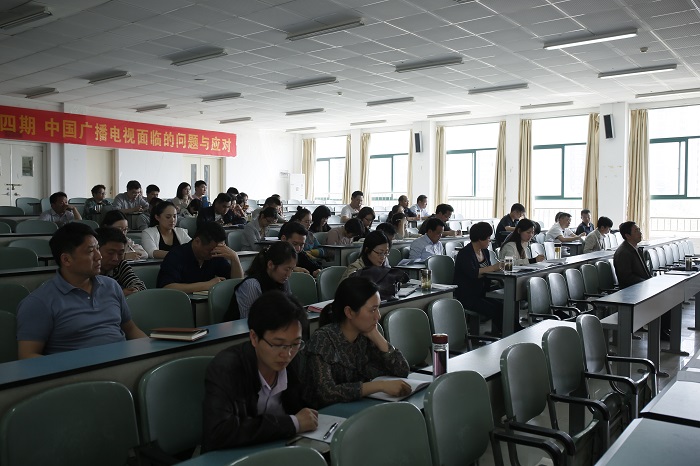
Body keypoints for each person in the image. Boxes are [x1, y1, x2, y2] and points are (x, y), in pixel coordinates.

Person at [202, 291, 317, 451]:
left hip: (281, 449)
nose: (287, 354)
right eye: (278, 344)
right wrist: (293, 423)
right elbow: (218, 432)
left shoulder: (294, 358)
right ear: (254, 337)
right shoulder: (226, 368)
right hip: (235, 456)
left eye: (295, 344)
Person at [16, 223, 146, 358]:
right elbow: (27, 355)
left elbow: (131, 329)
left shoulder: (111, 286)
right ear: (66, 259)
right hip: (78, 370)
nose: (99, 256)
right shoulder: (39, 302)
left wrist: (149, 352)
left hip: (124, 363)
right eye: (90, 251)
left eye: (98, 249)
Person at [303, 277, 411, 408]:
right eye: (372, 310)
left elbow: (402, 370)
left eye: (378, 308)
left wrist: (378, 337)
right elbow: (326, 393)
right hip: (324, 415)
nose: (378, 316)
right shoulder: (323, 339)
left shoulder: (365, 335)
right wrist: (379, 386)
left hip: (358, 407)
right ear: (349, 312)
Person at [454, 221, 510, 335]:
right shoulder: (465, 254)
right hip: (468, 295)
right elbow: (473, 273)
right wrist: (493, 268)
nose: (490, 241)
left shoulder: (485, 252)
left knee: (503, 305)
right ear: (480, 239)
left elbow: (487, 270)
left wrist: (498, 269)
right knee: (494, 309)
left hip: (482, 292)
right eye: (488, 238)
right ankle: (506, 333)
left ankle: (509, 331)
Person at [157, 222, 244, 292]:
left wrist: (235, 258)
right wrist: (206, 285)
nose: (213, 254)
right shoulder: (176, 255)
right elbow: (167, 288)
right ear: (197, 241)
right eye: (210, 250)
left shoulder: (216, 254)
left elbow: (237, 284)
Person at [226, 242, 296, 321]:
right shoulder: (252, 285)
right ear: (270, 265)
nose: (289, 274)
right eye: (286, 269)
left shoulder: (282, 281)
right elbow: (249, 322)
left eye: (292, 269)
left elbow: (289, 309)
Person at [95, 227, 146, 296]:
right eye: (110, 253)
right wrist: (119, 293)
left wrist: (134, 290)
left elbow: (139, 285)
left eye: (120, 254)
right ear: (96, 250)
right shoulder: (86, 270)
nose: (115, 258)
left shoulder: (120, 265)